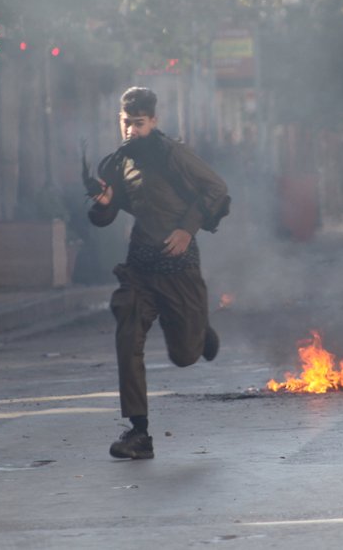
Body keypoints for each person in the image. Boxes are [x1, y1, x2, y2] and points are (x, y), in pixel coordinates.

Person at [88, 87, 230, 460]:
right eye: (126, 123)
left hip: (178, 267)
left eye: (139, 123)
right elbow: (102, 217)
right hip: (140, 268)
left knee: (184, 355)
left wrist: (187, 229)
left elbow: (216, 188)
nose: (131, 130)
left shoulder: (173, 154)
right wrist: (103, 204)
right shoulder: (117, 163)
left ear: (153, 121)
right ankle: (139, 432)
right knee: (127, 336)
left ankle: (199, 333)